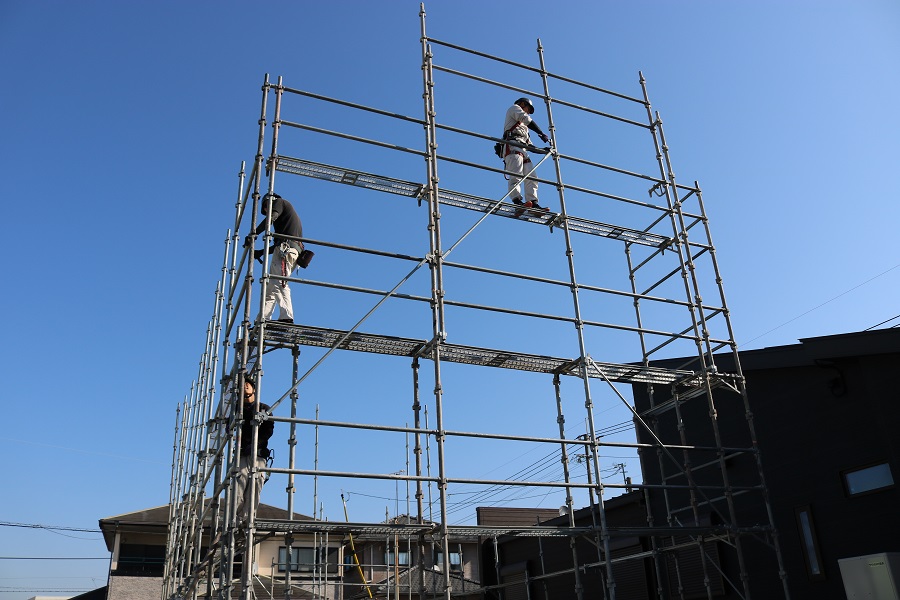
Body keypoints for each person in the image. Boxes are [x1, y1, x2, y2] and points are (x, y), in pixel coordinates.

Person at [248, 192, 304, 324]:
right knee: (272, 288)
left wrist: (253, 233)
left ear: (270, 201)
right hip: (287, 249)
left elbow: (272, 217)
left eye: (266, 207)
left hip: (286, 250)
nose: (267, 211)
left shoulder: (280, 202)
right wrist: (261, 252)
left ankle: (287, 317)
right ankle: (262, 319)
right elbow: (277, 244)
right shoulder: (285, 224)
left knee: (280, 282)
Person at [232, 375, 274, 522]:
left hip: (259, 455)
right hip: (242, 455)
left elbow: (268, 431)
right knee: (238, 488)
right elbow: (228, 430)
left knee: (255, 488)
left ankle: (247, 520)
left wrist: (256, 443)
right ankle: (234, 521)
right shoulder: (236, 410)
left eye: (247, 384)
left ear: (254, 388)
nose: (244, 386)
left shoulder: (264, 408)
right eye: (242, 385)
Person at [502, 97, 551, 217]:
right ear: (523, 104)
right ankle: (517, 203)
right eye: (528, 109)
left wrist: (543, 150)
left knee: (532, 176)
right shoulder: (514, 109)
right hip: (512, 146)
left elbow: (529, 146)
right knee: (516, 175)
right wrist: (540, 132)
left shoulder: (524, 128)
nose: (528, 112)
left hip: (523, 149)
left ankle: (533, 204)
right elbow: (526, 118)